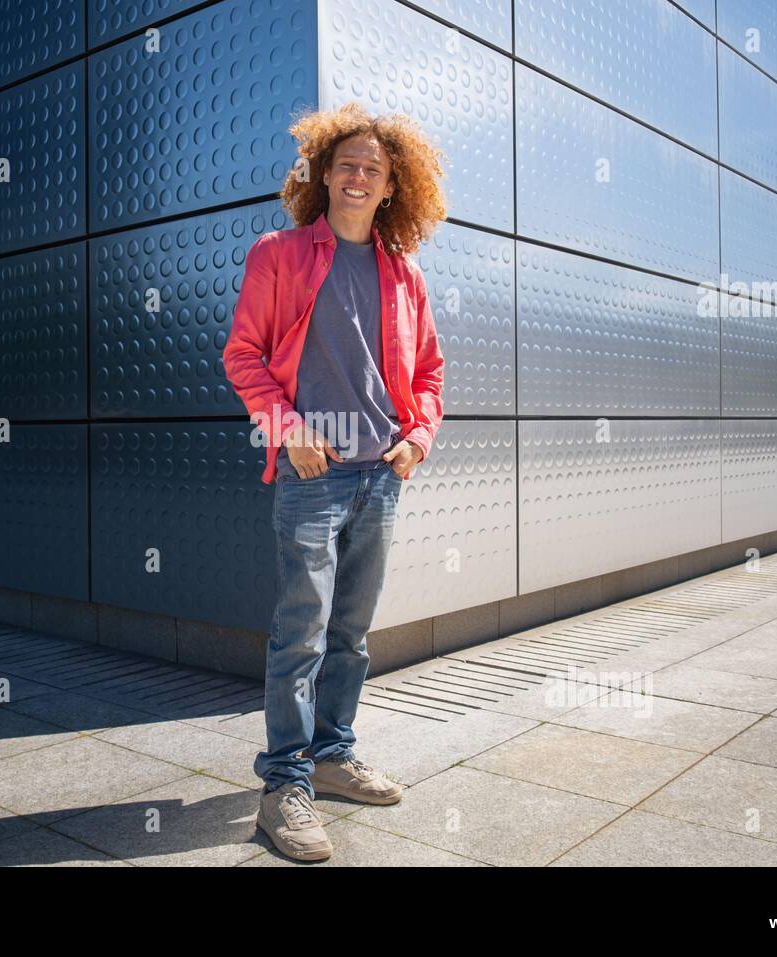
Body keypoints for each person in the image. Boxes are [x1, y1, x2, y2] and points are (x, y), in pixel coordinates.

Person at [222, 102, 447, 861]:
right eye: (345, 164)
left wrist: (416, 440)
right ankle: (282, 784)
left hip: (381, 475)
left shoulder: (405, 273)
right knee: (301, 633)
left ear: (392, 187)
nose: (357, 176)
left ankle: (332, 754)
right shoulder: (278, 253)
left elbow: (429, 374)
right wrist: (290, 431)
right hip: (312, 477)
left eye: (373, 169)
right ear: (323, 173)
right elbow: (243, 356)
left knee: (351, 633)